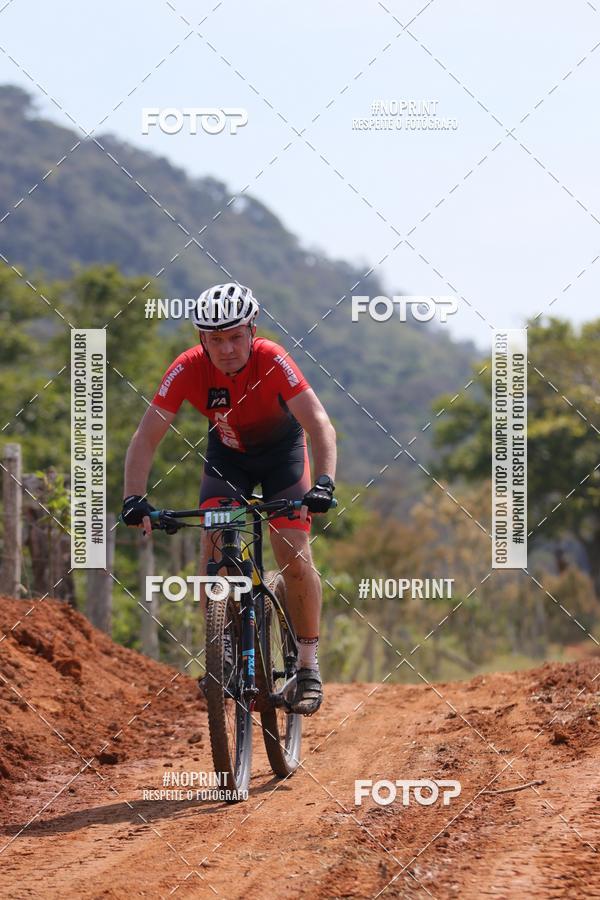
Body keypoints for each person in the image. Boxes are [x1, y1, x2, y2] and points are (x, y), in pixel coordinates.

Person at [121, 283, 337, 715]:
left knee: (292, 551)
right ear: (201, 338)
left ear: (252, 330)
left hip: (282, 458)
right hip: (229, 457)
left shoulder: (272, 359)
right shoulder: (187, 368)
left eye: (236, 337)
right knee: (214, 543)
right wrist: (133, 497)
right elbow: (146, 436)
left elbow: (319, 425)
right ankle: (220, 652)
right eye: (215, 339)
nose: (226, 349)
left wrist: (325, 482)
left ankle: (308, 666)